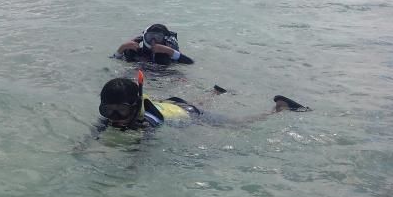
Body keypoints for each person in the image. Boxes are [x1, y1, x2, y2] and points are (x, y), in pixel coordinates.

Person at [96, 72, 309, 132]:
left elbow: (142, 155)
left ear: (133, 106)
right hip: (171, 103)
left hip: (186, 113)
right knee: (191, 103)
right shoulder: (122, 113)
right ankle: (214, 93)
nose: (114, 117)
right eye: (108, 111)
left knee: (237, 125)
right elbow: (96, 132)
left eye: (121, 111)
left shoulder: (148, 122)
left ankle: (279, 109)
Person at [114, 23, 194, 65]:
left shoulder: (168, 53)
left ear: (164, 39)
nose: (153, 41)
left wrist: (170, 51)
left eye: (158, 37)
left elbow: (190, 62)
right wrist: (122, 48)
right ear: (144, 37)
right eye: (150, 37)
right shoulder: (139, 52)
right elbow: (114, 60)